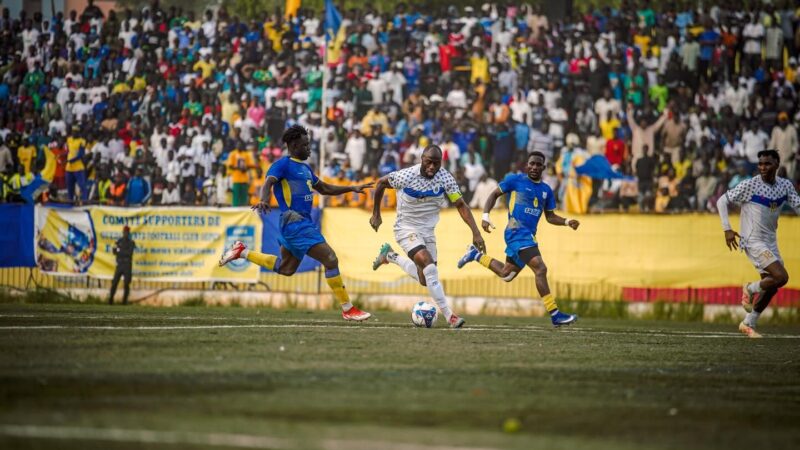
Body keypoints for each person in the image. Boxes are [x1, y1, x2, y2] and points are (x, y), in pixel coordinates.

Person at [219, 125, 374, 322]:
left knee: (286, 269)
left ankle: (243, 252)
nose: (309, 149)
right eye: (305, 145)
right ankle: (348, 308)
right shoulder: (282, 165)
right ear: (293, 146)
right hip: (295, 221)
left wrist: (351, 188)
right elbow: (268, 182)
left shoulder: (306, 168)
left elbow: (324, 188)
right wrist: (264, 200)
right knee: (330, 259)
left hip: (300, 223)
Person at [455, 152, 579, 327]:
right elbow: (493, 195)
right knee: (540, 268)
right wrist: (485, 216)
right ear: (527, 165)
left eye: (538, 164)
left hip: (528, 236)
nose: (534, 167)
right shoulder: (515, 180)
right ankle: (555, 314)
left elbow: (550, 217)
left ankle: (474, 255)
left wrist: (566, 221)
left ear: (543, 167)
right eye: (532, 163)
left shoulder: (546, 190)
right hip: (516, 232)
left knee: (507, 274)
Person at [370, 145, 486, 329]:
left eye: (436, 163)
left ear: (441, 163)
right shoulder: (406, 175)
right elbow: (381, 183)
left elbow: (461, 205)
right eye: (428, 162)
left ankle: (390, 256)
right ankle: (450, 316)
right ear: (422, 160)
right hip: (405, 228)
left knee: (425, 278)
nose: (432, 166)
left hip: (428, 231)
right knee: (428, 265)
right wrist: (376, 213)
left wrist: (476, 232)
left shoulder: (446, 179)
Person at [716, 150, 800, 338]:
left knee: (772, 285)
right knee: (781, 277)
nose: (763, 167)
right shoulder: (751, 184)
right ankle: (750, 288)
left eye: (767, 163)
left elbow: (798, 206)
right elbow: (722, 201)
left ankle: (748, 323)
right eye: (760, 163)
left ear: (777, 165)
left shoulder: (785, 185)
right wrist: (727, 229)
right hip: (753, 240)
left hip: (770, 241)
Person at [109, 225, 136, 305]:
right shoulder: (119, 241)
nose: (125, 234)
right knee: (114, 282)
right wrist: (120, 251)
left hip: (127, 265)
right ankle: (110, 300)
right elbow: (114, 251)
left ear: (128, 233)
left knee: (126, 283)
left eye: (127, 232)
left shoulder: (131, 243)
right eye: (124, 232)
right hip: (120, 264)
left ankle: (124, 301)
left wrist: (120, 251)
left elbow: (129, 253)